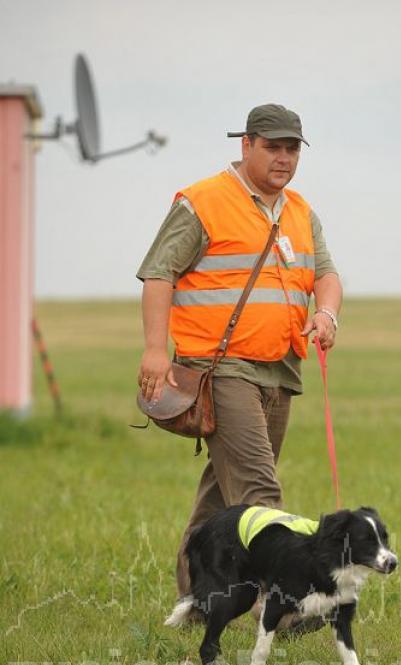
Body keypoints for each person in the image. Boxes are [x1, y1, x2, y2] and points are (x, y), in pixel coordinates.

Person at [136, 104, 342, 600]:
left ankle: (195, 598)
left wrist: (327, 314)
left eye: (292, 148)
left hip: (280, 371)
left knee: (219, 495)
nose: (284, 157)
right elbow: (159, 272)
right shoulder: (203, 202)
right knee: (258, 492)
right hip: (220, 368)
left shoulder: (300, 211)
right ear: (245, 145)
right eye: (273, 146)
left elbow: (326, 276)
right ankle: (288, 605)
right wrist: (154, 351)